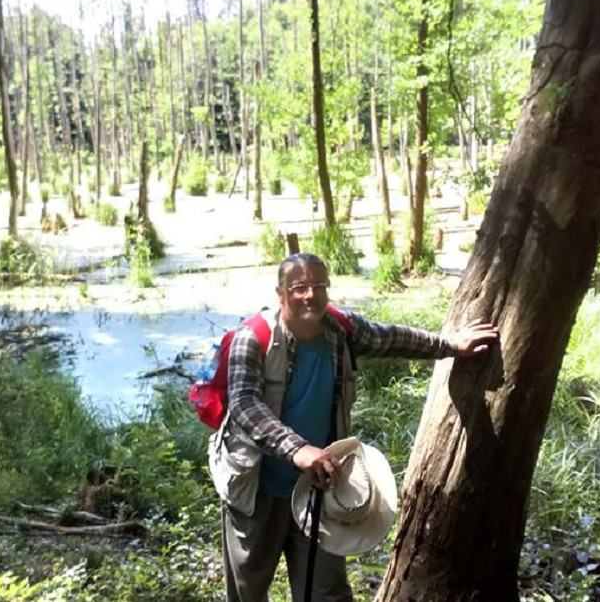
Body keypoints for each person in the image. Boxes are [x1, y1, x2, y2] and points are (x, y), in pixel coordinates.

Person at [208, 252, 499, 602]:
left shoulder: (339, 330)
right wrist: (297, 449)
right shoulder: (252, 338)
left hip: (320, 489)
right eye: (299, 287)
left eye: (319, 285)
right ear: (280, 292)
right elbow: (244, 405)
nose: (310, 295)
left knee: (327, 594)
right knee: (247, 593)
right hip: (257, 492)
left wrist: (451, 345)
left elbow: (392, 339)